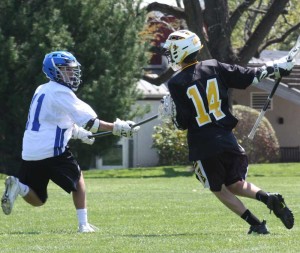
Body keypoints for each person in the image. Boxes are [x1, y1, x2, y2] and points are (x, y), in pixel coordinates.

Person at [159, 30, 294, 234]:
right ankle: (269, 199)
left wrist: (173, 114)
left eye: (171, 51)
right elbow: (251, 76)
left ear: (180, 51)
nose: (168, 55)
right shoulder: (214, 66)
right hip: (227, 138)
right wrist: (278, 68)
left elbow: (183, 123)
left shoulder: (176, 83)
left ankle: (257, 225)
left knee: (218, 189)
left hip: (203, 144)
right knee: (235, 183)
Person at [1, 51, 140, 233]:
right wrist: (117, 127)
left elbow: (55, 122)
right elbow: (92, 122)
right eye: (66, 70)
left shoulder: (41, 89)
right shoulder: (61, 91)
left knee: (38, 199)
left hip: (30, 150)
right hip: (52, 150)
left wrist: (79, 133)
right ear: (54, 71)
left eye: (72, 70)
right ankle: (83, 225)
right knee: (78, 181)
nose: (71, 74)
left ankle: (18, 186)